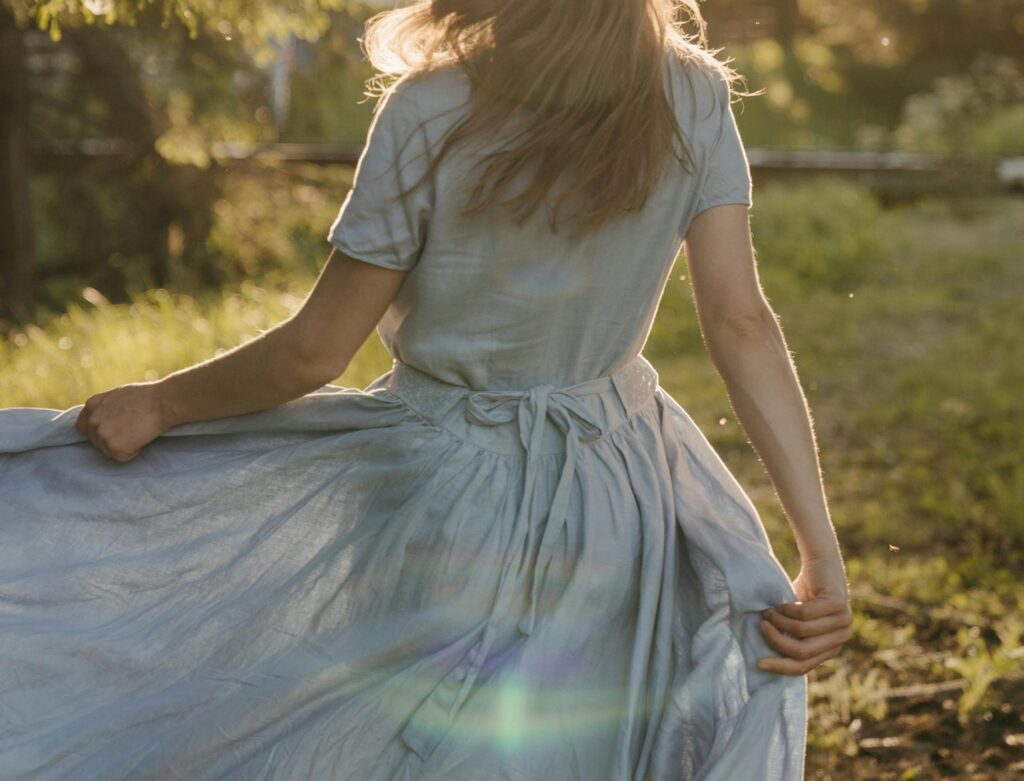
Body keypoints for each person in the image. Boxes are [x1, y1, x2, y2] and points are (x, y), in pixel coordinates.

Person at [0, 0, 851, 778]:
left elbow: (313, 352)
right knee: (577, 745)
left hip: (441, 489)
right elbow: (741, 324)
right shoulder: (692, 93)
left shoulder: (434, 105)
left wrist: (161, 402)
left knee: (408, 739)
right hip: (617, 483)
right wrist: (820, 550)